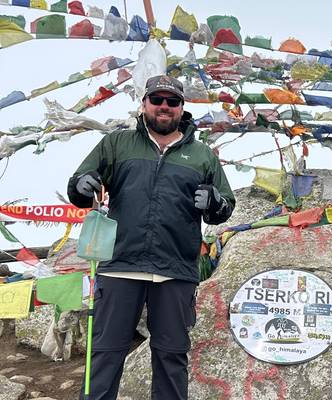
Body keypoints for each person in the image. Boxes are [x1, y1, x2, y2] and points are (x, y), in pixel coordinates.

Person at [67, 75, 235, 400]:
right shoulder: (117, 144)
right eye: (157, 99)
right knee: (105, 354)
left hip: (175, 271)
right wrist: (81, 184)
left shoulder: (202, 155)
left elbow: (224, 206)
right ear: (144, 103)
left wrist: (215, 202)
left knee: (171, 358)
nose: (164, 107)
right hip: (119, 265)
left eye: (172, 102)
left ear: (181, 108)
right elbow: (80, 181)